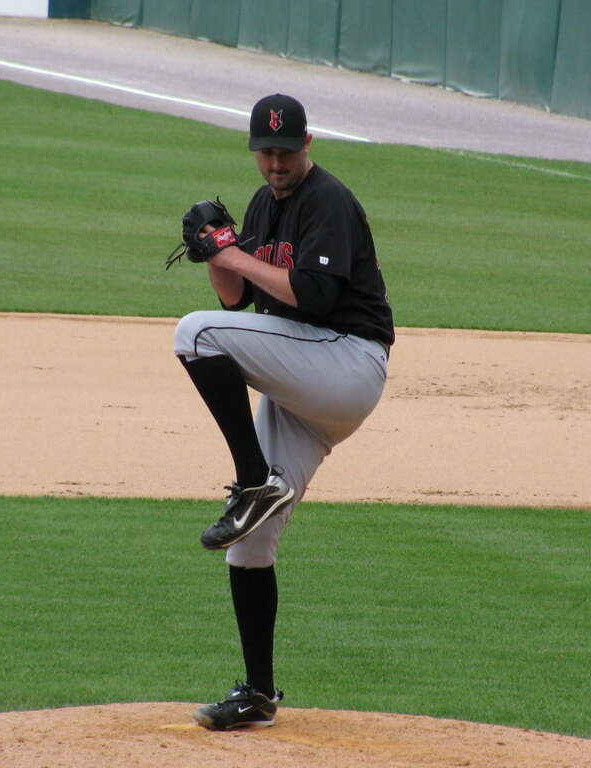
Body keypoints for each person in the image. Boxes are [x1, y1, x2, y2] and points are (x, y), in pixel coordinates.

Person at [173, 93, 394, 730]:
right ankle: (258, 694)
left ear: (308, 145)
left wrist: (234, 251)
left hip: (346, 362)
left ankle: (253, 481)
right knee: (249, 544)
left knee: (194, 333)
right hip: (306, 385)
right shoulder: (264, 205)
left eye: (285, 151)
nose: (274, 162)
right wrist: (214, 252)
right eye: (265, 152)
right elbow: (237, 299)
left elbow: (318, 296)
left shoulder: (328, 201)